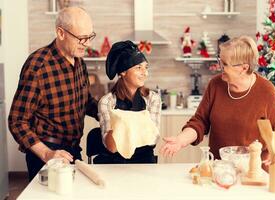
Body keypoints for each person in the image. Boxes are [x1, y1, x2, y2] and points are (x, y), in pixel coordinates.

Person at [8, 7, 98, 181]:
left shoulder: (79, 62)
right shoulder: (38, 66)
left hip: (73, 151)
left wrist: (109, 112)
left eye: (90, 36)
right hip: (47, 154)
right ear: (61, 33)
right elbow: (17, 121)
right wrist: (47, 153)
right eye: (81, 38)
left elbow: (85, 102)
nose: (87, 44)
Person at [160, 36, 275, 162]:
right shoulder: (215, 84)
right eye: (220, 60)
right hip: (219, 168)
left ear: (244, 68)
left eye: (225, 64)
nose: (220, 67)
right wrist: (180, 140)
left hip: (252, 171)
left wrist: (273, 151)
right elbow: (200, 121)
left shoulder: (266, 92)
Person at [95, 40, 161, 164]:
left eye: (146, 68)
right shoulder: (107, 102)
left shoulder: (152, 99)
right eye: (138, 68)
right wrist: (135, 123)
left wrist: (123, 120)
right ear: (123, 72)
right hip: (113, 164)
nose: (145, 73)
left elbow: (152, 139)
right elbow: (112, 147)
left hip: (144, 163)